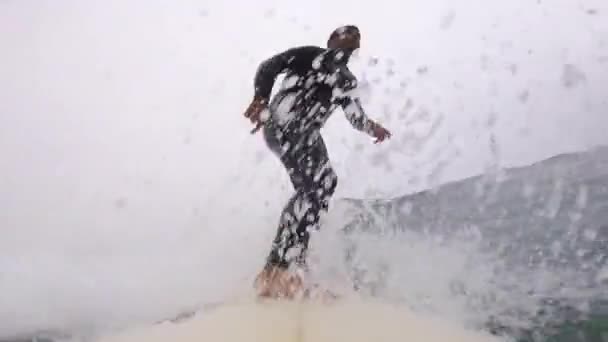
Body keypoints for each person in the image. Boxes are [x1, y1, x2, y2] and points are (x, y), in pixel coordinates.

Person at [243, 25, 392, 299]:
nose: (351, 37)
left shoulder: (347, 81)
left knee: (319, 189)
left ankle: (290, 263)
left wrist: (374, 128)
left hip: (304, 132)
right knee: (317, 187)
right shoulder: (310, 56)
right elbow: (269, 67)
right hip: (284, 123)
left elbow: (354, 115)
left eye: (355, 35)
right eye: (344, 33)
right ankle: (281, 265)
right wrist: (261, 98)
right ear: (331, 40)